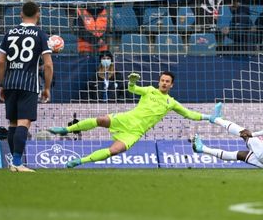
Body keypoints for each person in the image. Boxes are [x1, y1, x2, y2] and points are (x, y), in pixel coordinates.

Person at [48, 71, 215, 168]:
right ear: (159, 82)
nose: (164, 83)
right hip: (125, 119)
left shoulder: (171, 102)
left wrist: (209, 117)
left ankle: (78, 161)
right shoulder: (149, 90)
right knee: (100, 119)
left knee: (113, 151)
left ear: (172, 85)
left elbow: (190, 114)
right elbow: (132, 89)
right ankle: (66, 129)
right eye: (162, 80)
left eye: (167, 82)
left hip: (135, 132)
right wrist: (132, 81)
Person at [0, 1, 54, 172]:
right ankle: (17, 162)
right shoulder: (40, 35)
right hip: (28, 84)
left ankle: (14, 163)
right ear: (38, 14)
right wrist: (47, 88)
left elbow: (1, 61)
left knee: (13, 123)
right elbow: (49, 65)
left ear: (20, 14)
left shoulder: (10, 33)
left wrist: (1, 84)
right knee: (24, 122)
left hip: (10, 83)